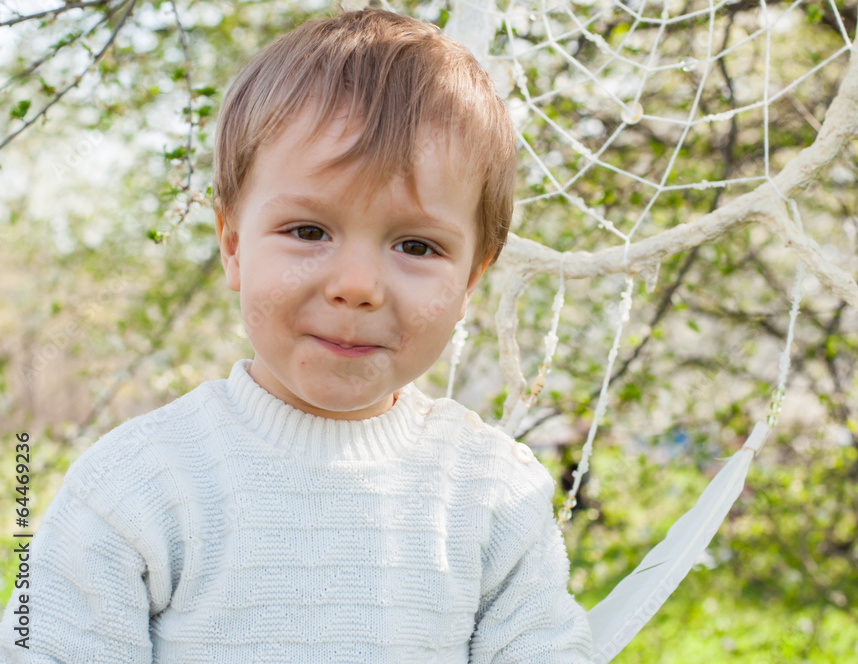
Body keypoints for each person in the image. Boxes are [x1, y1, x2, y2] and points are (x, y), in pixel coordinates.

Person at [0, 8, 595, 662]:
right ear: (232, 245)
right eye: (309, 231)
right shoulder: (136, 486)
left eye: (417, 245)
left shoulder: (494, 494)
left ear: (472, 280)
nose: (357, 284)